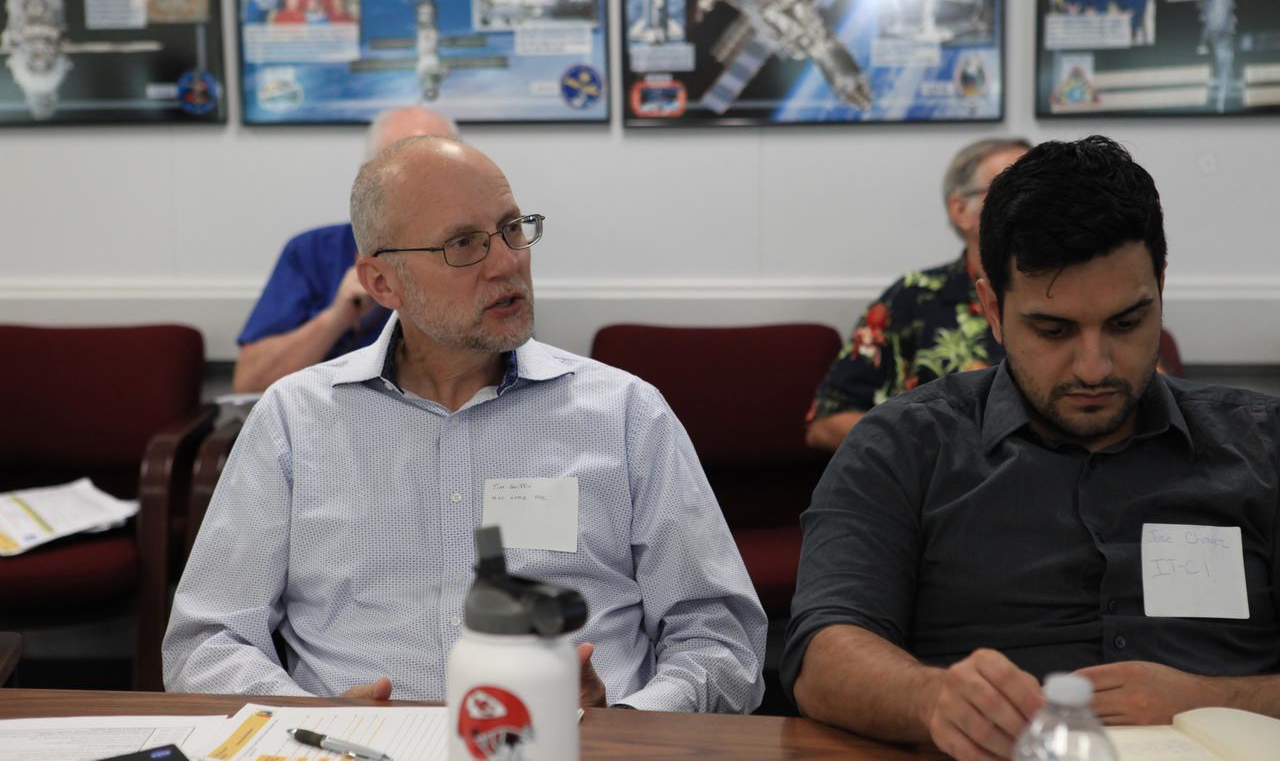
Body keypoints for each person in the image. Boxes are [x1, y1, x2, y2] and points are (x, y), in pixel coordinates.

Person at [165, 136, 767, 712]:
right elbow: (208, 642)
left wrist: (633, 719)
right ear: (382, 282)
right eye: (462, 244)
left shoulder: (625, 413)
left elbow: (719, 637)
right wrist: (314, 718)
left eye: (512, 229)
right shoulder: (296, 419)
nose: (507, 263)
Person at [784, 135, 1280, 761]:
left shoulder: (1263, 446)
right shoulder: (904, 447)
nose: (1095, 366)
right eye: (1053, 329)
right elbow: (824, 655)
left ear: (1160, 287)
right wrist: (930, 699)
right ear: (993, 309)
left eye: (1127, 323)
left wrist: (1211, 701)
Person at [804, 137, 1031, 453]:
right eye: (1011, 191)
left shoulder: (1073, 295)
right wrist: (927, 449)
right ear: (960, 209)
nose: (1033, 205)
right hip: (938, 487)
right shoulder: (912, 298)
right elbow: (827, 422)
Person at [232, 106, 458, 394]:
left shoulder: (483, 253)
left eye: (435, 169)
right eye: (401, 169)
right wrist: (338, 317)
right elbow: (249, 385)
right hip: (325, 429)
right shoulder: (312, 253)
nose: (419, 187)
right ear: (367, 179)